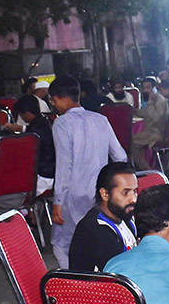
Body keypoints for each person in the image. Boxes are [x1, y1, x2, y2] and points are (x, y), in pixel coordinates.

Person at [49, 75, 128, 268]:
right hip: (99, 194)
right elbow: (120, 157)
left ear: (60, 98)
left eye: (52, 101)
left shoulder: (61, 124)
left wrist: (57, 201)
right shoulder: (100, 119)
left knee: (62, 244)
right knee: (97, 238)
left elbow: (64, 165)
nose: (53, 105)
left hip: (73, 196)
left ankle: (75, 285)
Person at [69, 162, 138, 272]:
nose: (133, 199)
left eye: (135, 191)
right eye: (126, 193)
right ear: (105, 194)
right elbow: (124, 273)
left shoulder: (124, 215)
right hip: (100, 287)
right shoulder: (95, 230)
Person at [13, 95, 56, 195]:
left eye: (21, 115)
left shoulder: (34, 135)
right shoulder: (46, 121)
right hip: (53, 172)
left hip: (43, 177)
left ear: (27, 113)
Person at [131, 77, 169, 170]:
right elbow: (147, 113)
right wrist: (133, 110)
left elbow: (155, 118)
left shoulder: (158, 100)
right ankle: (144, 170)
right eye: (144, 88)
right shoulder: (152, 99)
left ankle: (148, 171)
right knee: (136, 143)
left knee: (131, 142)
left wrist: (150, 103)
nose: (145, 90)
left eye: (148, 88)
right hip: (151, 131)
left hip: (156, 133)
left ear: (154, 88)